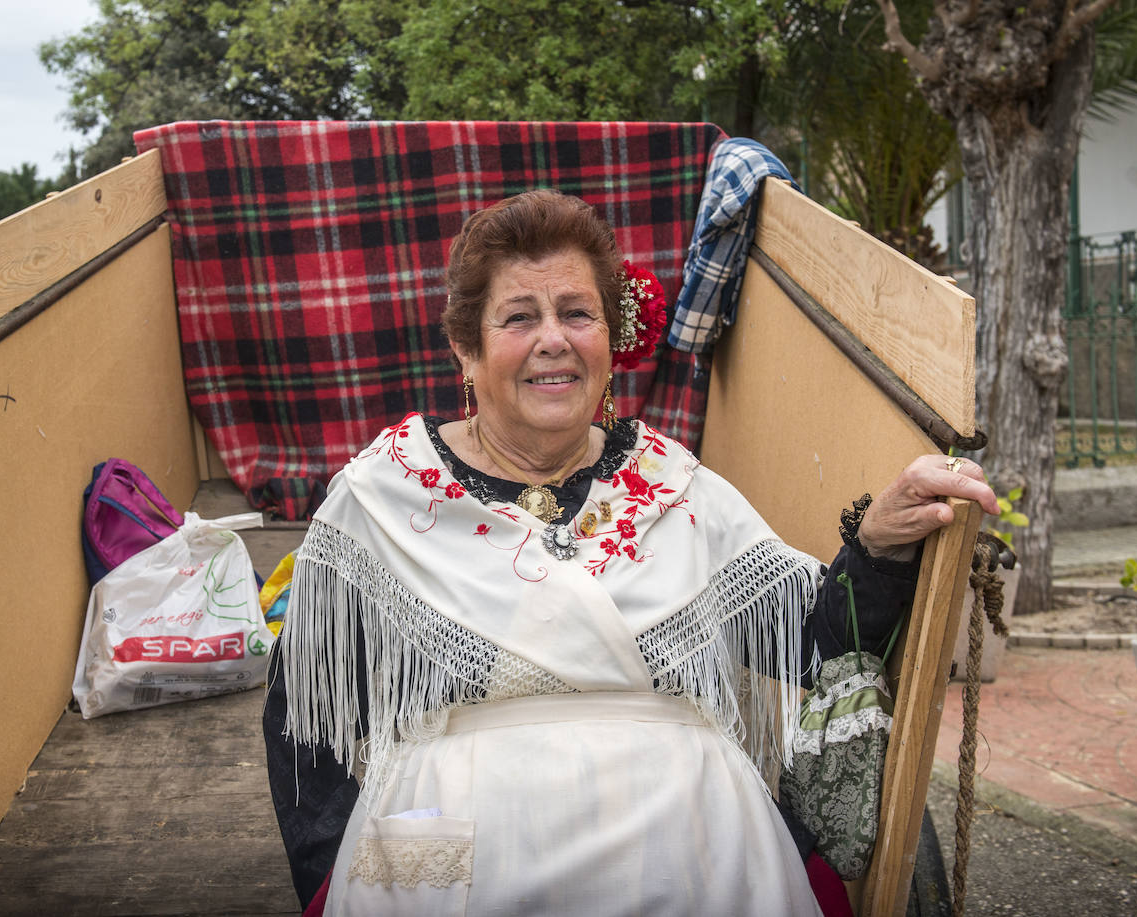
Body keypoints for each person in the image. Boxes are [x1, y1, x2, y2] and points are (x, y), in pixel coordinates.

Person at [263, 189, 998, 916]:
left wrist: (878, 539)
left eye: (577, 313)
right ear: (466, 347)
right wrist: (344, 877)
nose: (554, 339)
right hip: (459, 872)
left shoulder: (675, 486)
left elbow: (813, 640)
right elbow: (302, 718)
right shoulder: (382, 497)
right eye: (519, 317)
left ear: (609, 342)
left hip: (696, 860)